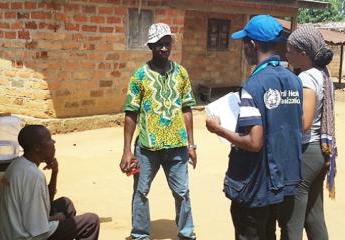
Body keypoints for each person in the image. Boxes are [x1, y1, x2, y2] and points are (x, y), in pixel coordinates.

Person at [205, 15, 303, 239]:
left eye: (244, 43)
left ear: (253, 45)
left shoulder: (254, 85)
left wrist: (218, 129)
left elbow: (254, 141)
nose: (244, 49)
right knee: (269, 233)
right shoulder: (293, 80)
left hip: (255, 185)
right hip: (283, 181)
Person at [120, 23, 197, 240]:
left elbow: (187, 109)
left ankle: (187, 234)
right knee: (141, 193)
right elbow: (130, 114)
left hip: (177, 146)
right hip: (147, 147)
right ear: (151, 46)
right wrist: (127, 150)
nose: (164, 48)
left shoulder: (181, 73)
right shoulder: (139, 76)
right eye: (159, 45)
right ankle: (140, 235)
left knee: (182, 193)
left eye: (167, 44)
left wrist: (191, 145)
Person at [0, 125, 100, 240]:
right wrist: (54, 219)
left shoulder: (18, 164)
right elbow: (38, 232)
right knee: (91, 221)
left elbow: (44, 204)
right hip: (23, 236)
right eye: (49, 139)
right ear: (37, 147)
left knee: (65, 203)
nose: (53, 142)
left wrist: (55, 172)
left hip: (18, 228)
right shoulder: (33, 175)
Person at [284, 25, 337, 240]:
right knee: (313, 216)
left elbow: (304, 122)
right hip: (320, 151)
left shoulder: (306, 78)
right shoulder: (322, 74)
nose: (286, 54)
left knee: (292, 219)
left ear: (303, 54)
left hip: (307, 150)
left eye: (290, 50)